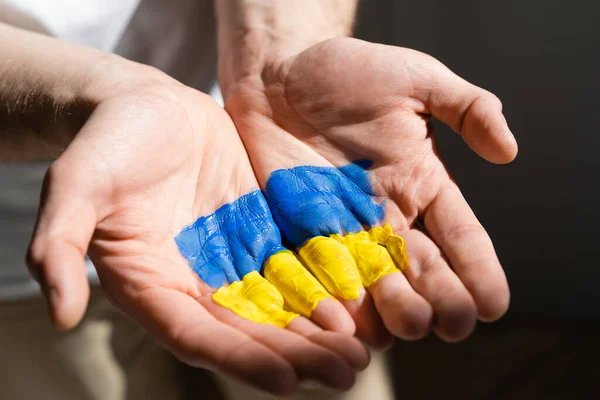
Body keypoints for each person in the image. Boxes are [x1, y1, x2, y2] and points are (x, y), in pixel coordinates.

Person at [0, 0, 517, 399]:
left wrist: (280, 50)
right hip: (19, 248)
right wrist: (99, 98)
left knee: (329, 360)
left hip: (258, 159)